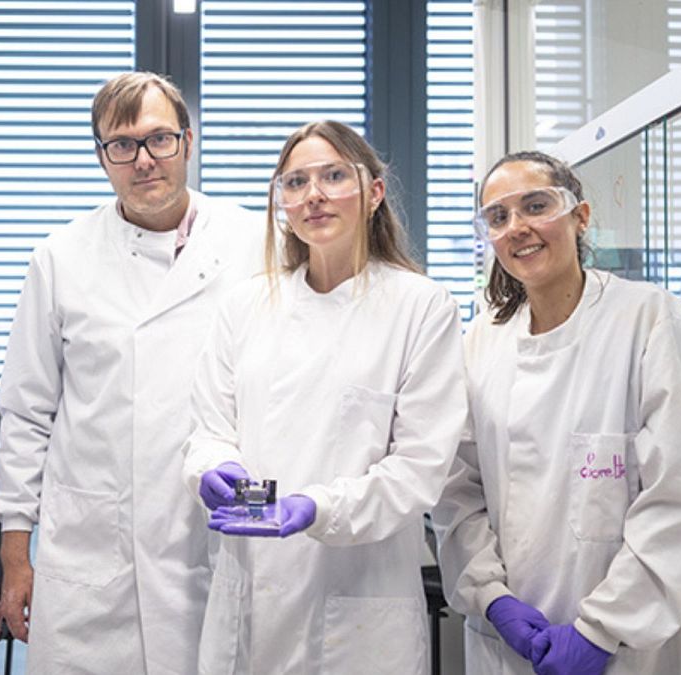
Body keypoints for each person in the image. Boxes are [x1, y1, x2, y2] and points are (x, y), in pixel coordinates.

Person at [0, 71, 263, 673]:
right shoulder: (60, 257)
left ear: (187, 142)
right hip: (92, 556)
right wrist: (15, 553)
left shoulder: (258, 242)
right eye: (122, 145)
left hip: (212, 542)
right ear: (102, 157)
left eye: (159, 139)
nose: (144, 160)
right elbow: (28, 411)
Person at [182, 120, 467, 674]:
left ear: (374, 192)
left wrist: (318, 508)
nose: (313, 194)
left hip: (358, 611)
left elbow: (418, 469)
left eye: (334, 176)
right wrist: (213, 468)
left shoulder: (421, 308)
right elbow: (209, 430)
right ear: (282, 203)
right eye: (295, 182)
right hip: (249, 603)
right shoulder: (244, 307)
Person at [432, 151, 681, 674]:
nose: (517, 227)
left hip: (625, 649)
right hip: (505, 646)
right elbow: (458, 491)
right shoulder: (481, 342)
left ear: (580, 216)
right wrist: (492, 598)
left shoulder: (648, 320)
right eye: (498, 216)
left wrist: (600, 630)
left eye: (535, 206)